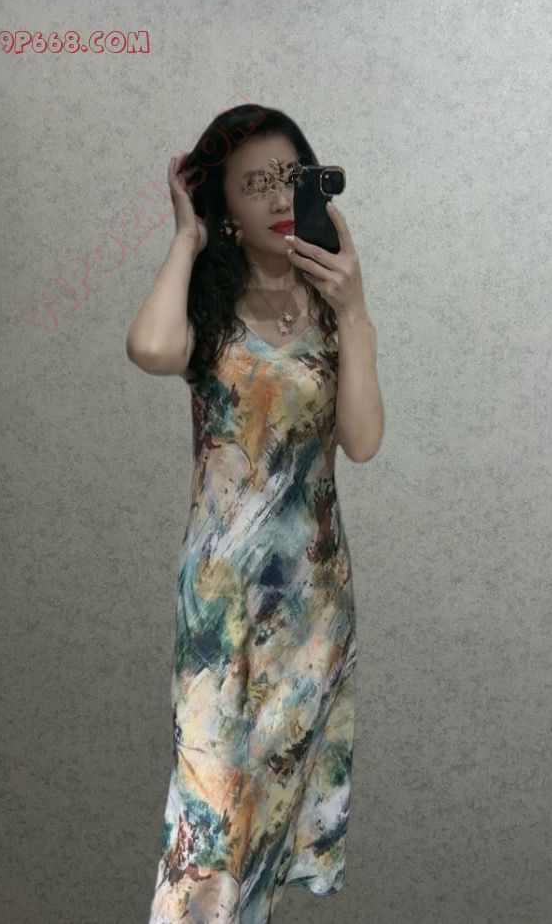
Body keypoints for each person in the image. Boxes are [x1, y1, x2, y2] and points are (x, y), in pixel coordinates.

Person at [126, 103, 383, 923]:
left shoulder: (332, 311)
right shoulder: (208, 307)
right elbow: (151, 348)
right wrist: (185, 238)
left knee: (268, 822)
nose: (277, 196)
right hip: (221, 605)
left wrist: (354, 312)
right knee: (208, 826)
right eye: (254, 183)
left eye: (289, 176)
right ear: (225, 207)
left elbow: (362, 441)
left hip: (311, 605)